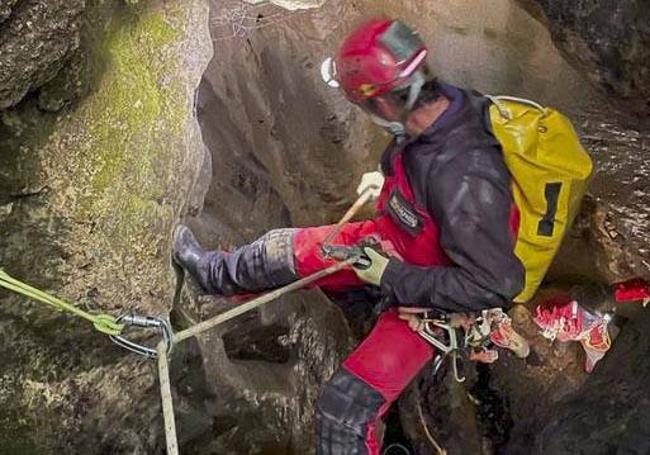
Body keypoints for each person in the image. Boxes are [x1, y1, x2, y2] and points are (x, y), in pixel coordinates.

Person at [173, 18, 525, 455]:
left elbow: (497, 284)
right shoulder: (438, 112)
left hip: (434, 302)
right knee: (282, 250)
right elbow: (420, 168)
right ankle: (213, 274)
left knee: (342, 414)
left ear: (386, 103)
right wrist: (391, 187)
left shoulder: (467, 178)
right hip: (395, 240)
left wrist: (391, 277)